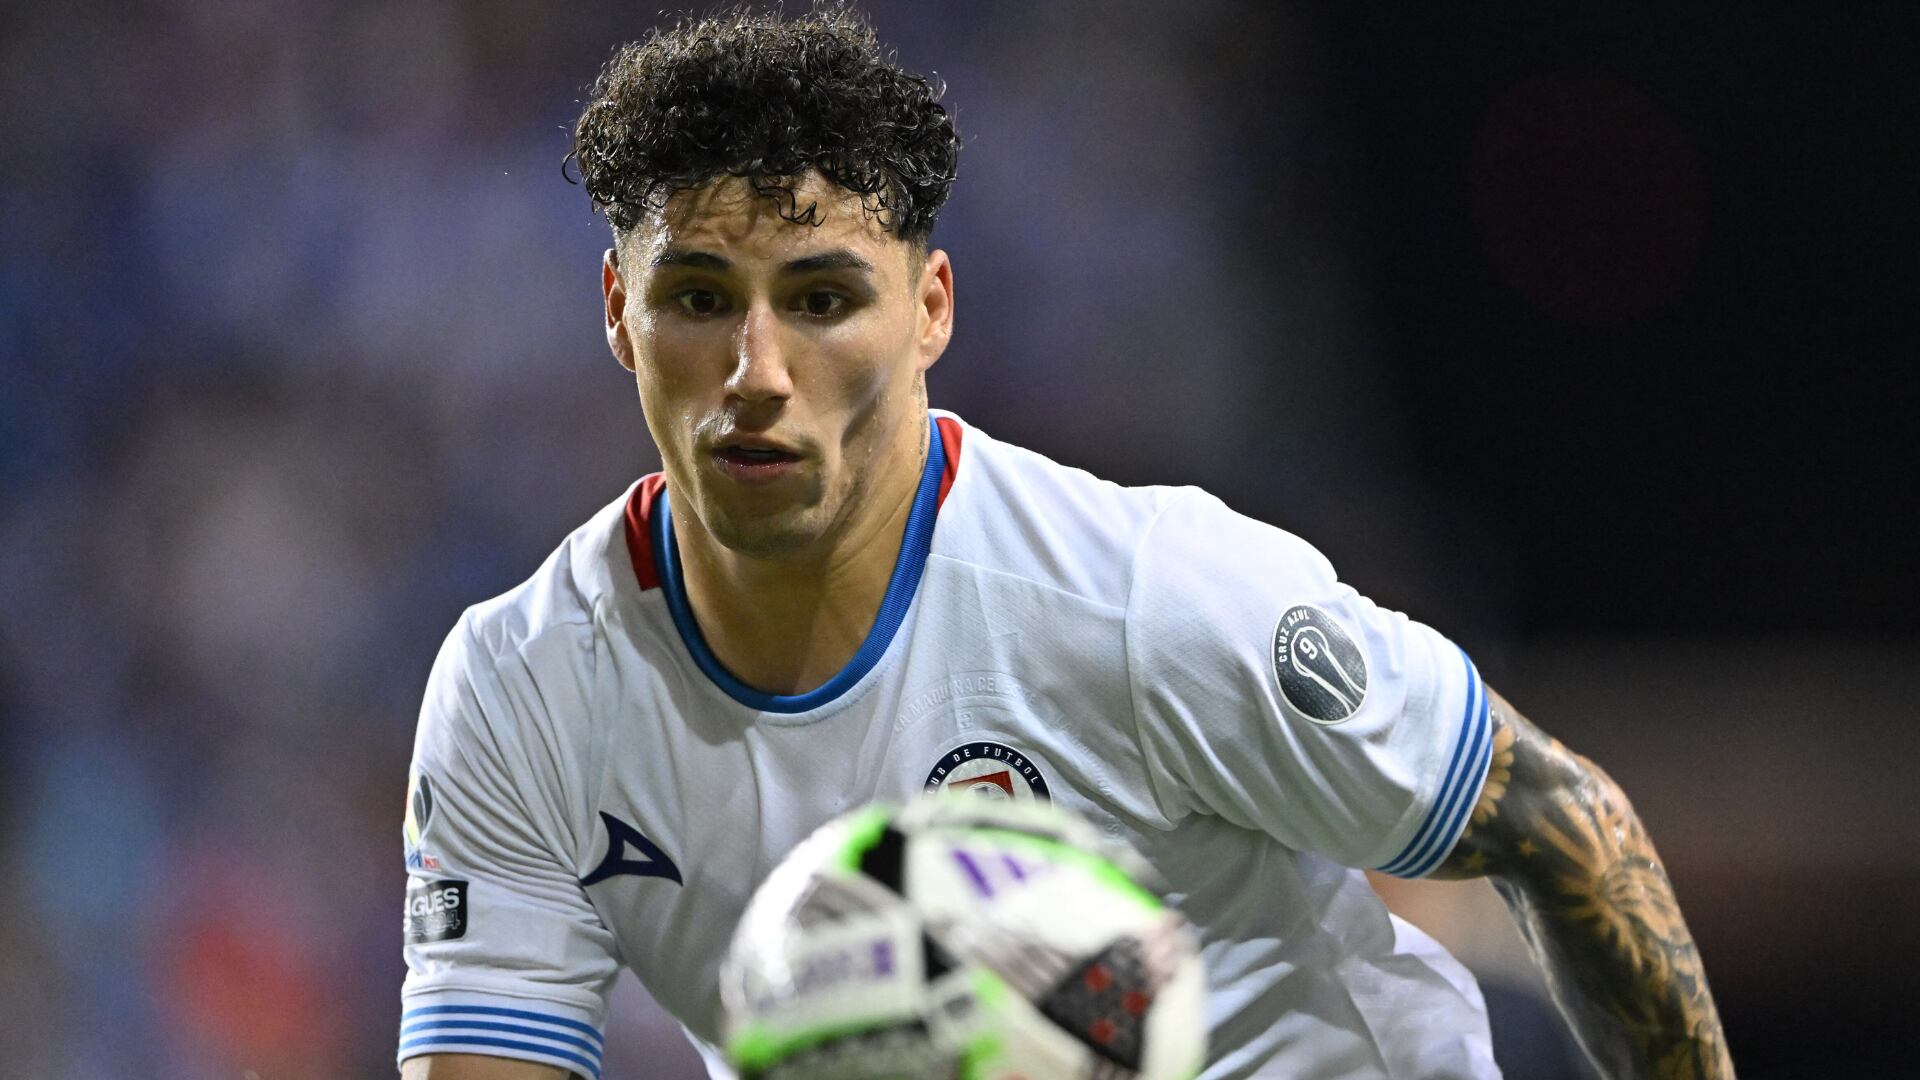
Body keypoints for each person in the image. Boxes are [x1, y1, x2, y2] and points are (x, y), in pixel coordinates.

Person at [397, 8, 1732, 1079]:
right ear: (620, 317)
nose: (756, 369)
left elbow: (1563, 824)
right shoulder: (524, 692)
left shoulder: (1146, 599)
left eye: (820, 299)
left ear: (930, 311)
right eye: (697, 298)